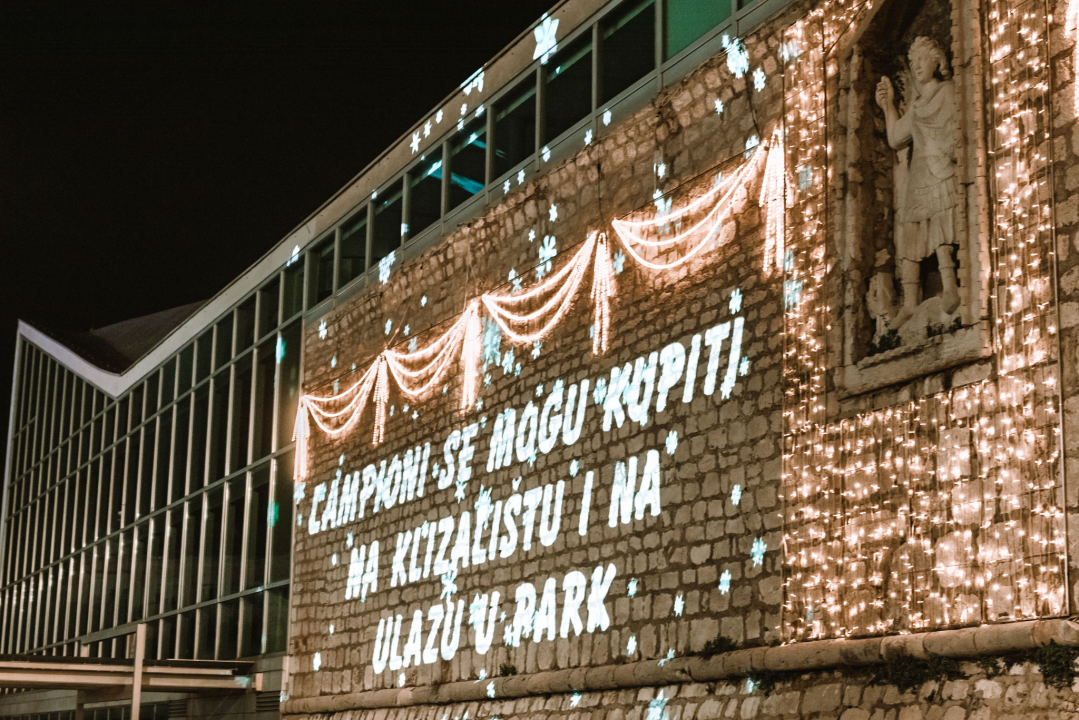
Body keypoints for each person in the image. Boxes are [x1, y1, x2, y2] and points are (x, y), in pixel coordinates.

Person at [875, 36, 959, 328]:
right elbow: (896, 137)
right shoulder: (917, 105)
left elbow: (958, 130)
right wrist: (888, 105)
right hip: (919, 174)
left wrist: (949, 152)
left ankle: (950, 286)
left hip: (941, 170)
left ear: (937, 60)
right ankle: (910, 302)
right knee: (910, 233)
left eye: (922, 59)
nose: (917, 66)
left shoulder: (948, 92)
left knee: (941, 227)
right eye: (912, 63)